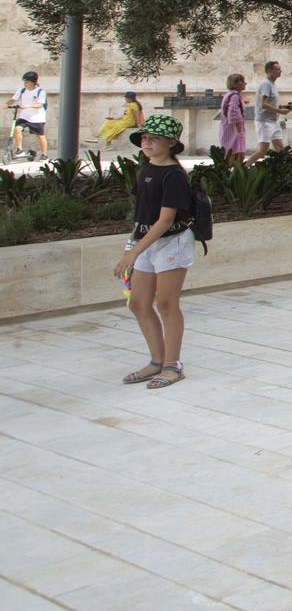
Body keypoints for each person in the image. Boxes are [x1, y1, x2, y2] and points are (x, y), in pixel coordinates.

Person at [114, 114, 198, 389]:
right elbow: (141, 213)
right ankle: (156, 360)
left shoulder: (173, 175)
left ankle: (172, 365)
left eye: (154, 138)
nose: (146, 142)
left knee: (166, 303)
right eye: (144, 138)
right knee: (138, 302)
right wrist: (132, 247)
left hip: (170, 242)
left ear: (171, 143)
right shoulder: (146, 170)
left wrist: (133, 252)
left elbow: (165, 220)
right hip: (146, 241)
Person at [246, 60, 292, 164]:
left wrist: (285, 107)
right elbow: (264, 104)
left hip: (273, 121)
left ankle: (287, 170)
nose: (280, 71)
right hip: (264, 122)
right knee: (263, 150)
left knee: (280, 148)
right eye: (277, 69)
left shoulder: (272, 84)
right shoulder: (266, 84)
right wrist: (280, 111)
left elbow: (272, 103)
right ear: (269, 71)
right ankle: (245, 167)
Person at [12, 70, 48, 162]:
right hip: (25, 117)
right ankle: (20, 150)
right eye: (24, 81)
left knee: (40, 136)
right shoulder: (22, 90)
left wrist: (28, 106)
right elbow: (13, 99)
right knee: (17, 129)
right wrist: (3, 105)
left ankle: (44, 155)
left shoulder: (40, 92)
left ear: (33, 82)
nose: (25, 83)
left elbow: (39, 105)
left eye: (27, 82)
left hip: (37, 117)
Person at [217, 74, 248, 163]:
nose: (245, 83)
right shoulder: (234, 96)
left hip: (229, 129)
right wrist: (239, 130)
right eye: (242, 81)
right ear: (235, 83)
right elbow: (233, 113)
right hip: (233, 130)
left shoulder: (230, 95)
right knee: (236, 154)